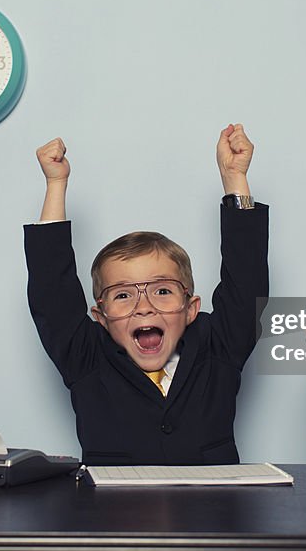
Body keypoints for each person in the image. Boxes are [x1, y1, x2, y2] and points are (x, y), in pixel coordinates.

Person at [24, 124, 268, 465]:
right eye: (123, 295)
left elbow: (247, 279)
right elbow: (52, 292)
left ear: (190, 308)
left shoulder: (219, 346)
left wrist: (235, 178)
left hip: (213, 512)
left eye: (163, 290)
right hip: (111, 515)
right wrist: (55, 184)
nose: (144, 306)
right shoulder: (87, 357)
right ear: (100, 316)